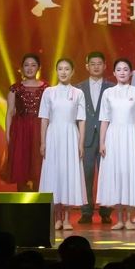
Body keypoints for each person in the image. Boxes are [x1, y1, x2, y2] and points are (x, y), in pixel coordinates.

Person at [97, 58, 135, 230]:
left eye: (126, 69)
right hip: (113, 137)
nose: (122, 72)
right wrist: (102, 142)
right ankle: (119, 219)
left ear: (131, 72)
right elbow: (104, 119)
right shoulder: (108, 93)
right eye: (119, 69)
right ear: (114, 73)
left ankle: (129, 219)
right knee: (117, 174)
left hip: (132, 135)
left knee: (130, 174)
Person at [39, 58, 87, 230]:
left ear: (72, 71)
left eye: (67, 69)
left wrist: (81, 144)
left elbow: (82, 120)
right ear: (56, 71)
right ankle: (57, 217)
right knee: (55, 174)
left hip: (70, 136)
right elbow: (44, 119)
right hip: (53, 136)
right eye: (60, 69)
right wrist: (43, 142)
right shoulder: (49, 92)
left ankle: (67, 218)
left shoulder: (78, 93)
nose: (63, 72)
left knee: (68, 174)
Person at [77, 51, 115, 225]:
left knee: (107, 175)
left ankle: (106, 211)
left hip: (106, 138)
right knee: (86, 174)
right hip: (85, 138)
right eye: (92, 64)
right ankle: (86, 211)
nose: (96, 67)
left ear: (105, 66)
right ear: (87, 66)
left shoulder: (112, 88)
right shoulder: (78, 88)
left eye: (99, 63)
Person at [3, 53, 47, 191]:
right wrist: (8, 134)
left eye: (33, 65)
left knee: (39, 166)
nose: (30, 68)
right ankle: (22, 200)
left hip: (39, 129)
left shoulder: (46, 88)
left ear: (39, 68)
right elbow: (10, 112)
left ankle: (40, 200)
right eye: (26, 65)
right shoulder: (15, 88)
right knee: (21, 165)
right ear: (21, 68)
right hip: (20, 130)